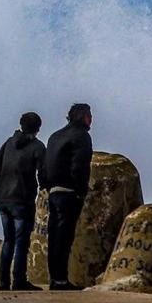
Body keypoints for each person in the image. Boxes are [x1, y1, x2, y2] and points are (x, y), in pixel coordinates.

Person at [40, 103, 94, 291]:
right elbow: (80, 166)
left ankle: (55, 279)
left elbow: (44, 166)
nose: (91, 120)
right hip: (69, 193)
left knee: (54, 237)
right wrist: (81, 191)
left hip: (53, 192)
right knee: (64, 238)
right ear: (83, 117)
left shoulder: (54, 137)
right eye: (89, 116)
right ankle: (61, 280)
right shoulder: (81, 137)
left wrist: (45, 185)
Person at [0, 112, 45, 291]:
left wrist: (2, 189)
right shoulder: (37, 147)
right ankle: (19, 280)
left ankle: (3, 282)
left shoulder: (7, 144)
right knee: (22, 241)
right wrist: (42, 189)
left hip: (3, 199)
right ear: (38, 128)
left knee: (8, 240)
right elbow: (43, 172)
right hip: (22, 200)